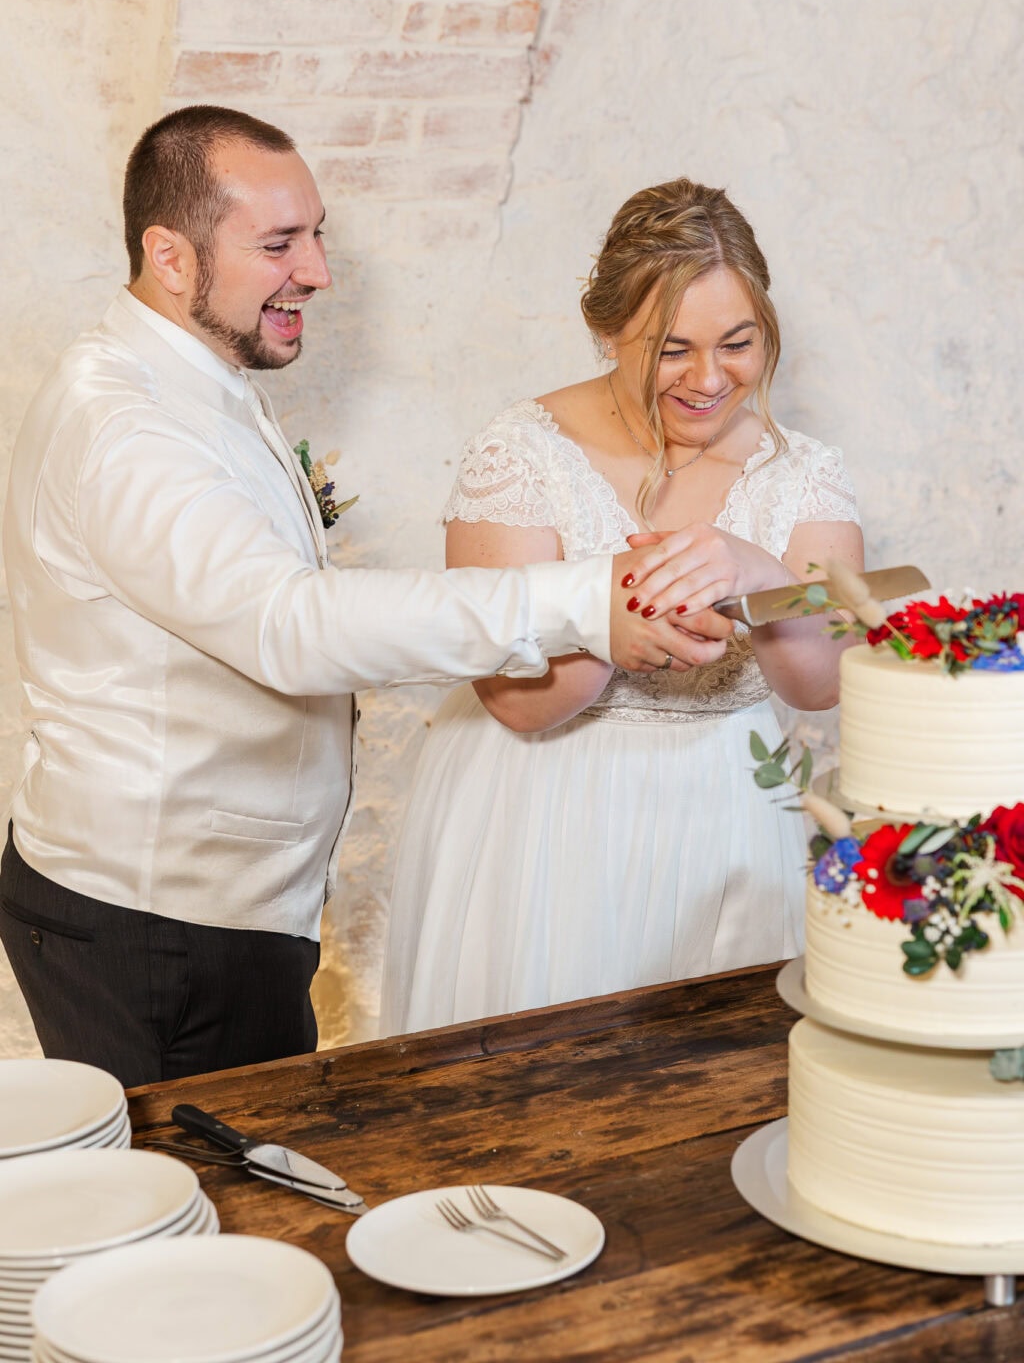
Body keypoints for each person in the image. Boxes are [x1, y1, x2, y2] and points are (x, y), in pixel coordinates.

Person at [0, 112, 732, 1088]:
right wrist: (583, 600)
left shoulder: (192, 380)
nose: (317, 271)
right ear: (168, 256)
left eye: (316, 234)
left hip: (219, 911)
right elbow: (289, 627)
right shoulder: (125, 427)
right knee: (203, 1220)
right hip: (159, 925)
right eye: (277, 244)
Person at [379, 176, 864, 1035]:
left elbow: (822, 683)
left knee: (720, 1080)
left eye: (739, 342)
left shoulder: (805, 472)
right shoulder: (521, 452)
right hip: (543, 808)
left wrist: (756, 572)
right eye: (671, 348)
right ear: (607, 331)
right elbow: (517, 703)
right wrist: (613, 623)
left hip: (732, 802)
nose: (711, 378)